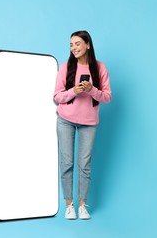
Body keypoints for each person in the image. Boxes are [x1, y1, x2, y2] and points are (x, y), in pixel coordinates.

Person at [54, 30, 112, 219]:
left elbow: (107, 97)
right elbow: (56, 97)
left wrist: (92, 90)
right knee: (67, 162)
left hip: (89, 122)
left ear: (88, 45)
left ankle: (82, 205)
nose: (74, 48)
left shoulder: (100, 67)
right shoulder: (65, 67)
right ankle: (69, 205)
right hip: (66, 120)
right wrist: (74, 91)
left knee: (84, 164)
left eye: (77, 43)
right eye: (71, 45)